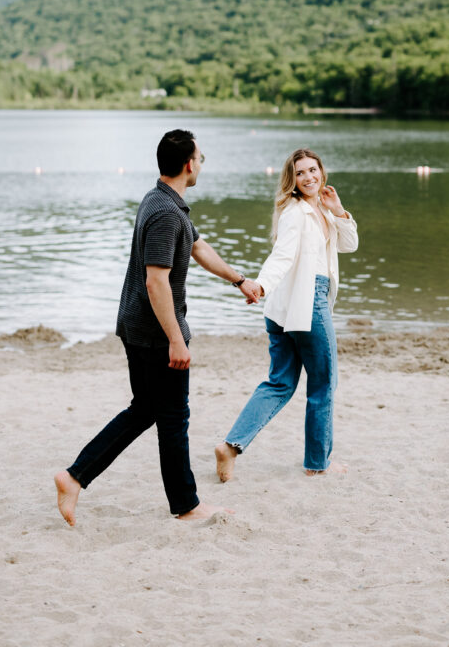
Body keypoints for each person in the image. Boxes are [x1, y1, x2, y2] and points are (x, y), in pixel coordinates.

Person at [54, 129, 259, 526]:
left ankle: (74, 477)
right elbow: (155, 280)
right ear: (188, 164)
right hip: (153, 331)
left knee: (146, 409)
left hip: (136, 323)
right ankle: (187, 506)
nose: (201, 164)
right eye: (200, 158)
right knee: (172, 417)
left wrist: (239, 280)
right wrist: (176, 339)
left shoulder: (161, 199)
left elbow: (198, 247)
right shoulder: (166, 212)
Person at [215, 148, 358, 480]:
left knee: (280, 382)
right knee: (323, 383)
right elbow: (281, 256)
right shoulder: (296, 213)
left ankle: (230, 446)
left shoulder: (321, 208)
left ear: (322, 172)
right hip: (307, 303)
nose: (309, 177)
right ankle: (317, 463)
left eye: (313, 170)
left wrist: (338, 211)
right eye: (300, 173)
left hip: (284, 307)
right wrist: (260, 284)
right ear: (291, 180)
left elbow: (348, 245)